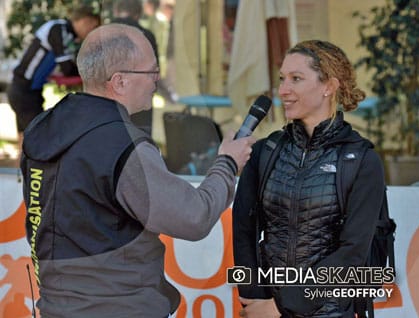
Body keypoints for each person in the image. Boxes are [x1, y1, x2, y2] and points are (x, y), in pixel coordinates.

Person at [21, 23, 255, 317]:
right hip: (119, 307)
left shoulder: (43, 128)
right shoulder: (121, 142)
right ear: (119, 81)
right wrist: (228, 163)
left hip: (56, 307)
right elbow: (193, 217)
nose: (157, 80)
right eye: (151, 71)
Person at [232, 40, 386, 318]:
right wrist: (253, 295)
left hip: (330, 311)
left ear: (329, 86)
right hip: (264, 307)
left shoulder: (361, 159)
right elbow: (243, 226)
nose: (283, 90)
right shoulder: (265, 151)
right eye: (282, 79)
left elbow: (353, 252)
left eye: (296, 79)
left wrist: (281, 306)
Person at [7, 5, 100, 164]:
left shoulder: (67, 34)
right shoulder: (58, 29)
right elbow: (68, 68)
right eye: (94, 26)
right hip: (23, 91)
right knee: (39, 140)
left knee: (27, 140)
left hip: (31, 91)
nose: (93, 31)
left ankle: (23, 180)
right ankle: (34, 180)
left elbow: (65, 68)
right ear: (85, 20)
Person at [112, 0, 160, 136]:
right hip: (140, 95)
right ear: (138, 14)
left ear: (116, 11)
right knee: (140, 139)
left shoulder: (100, 33)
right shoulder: (147, 35)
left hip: (110, 95)